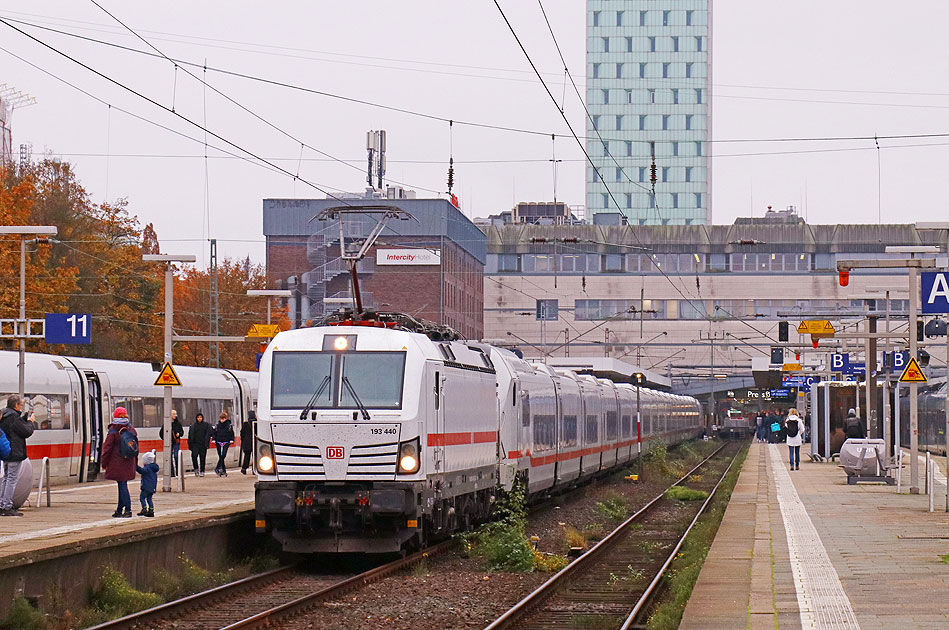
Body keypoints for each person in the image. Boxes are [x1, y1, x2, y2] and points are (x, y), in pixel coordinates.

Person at [0, 395, 37, 517]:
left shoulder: (4, 416)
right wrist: (31, 422)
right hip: (14, 453)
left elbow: (14, 428)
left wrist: (24, 418)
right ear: (16, 405)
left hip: (5, 452)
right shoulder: (13, 417)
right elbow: (25, 431)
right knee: (11, 479)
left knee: (6, 478)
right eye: (21, 405)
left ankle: (2, 504)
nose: (21, 407)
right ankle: (6, 506)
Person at [101, 407, 137, 518]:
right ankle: (119, 509)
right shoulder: (131, 429)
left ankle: (128, 510)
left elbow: (107, 448)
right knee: (122, 484)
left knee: (122, 485)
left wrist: (103, 462)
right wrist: (135, 462)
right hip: (129, 461)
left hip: (117, 462)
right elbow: (135, 446)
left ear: (115, 416)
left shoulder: (114, 430)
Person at [159, 410, 184, 477]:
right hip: (169, 442)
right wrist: (165, 439)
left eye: (175, 414)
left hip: (176, 442)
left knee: (176, 456)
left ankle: (178, 472)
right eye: (173, 414)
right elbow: (161, 433)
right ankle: (172, 473)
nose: (175, 416)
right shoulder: (166, 424)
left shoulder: (178, 423)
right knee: (169, 457)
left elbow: (182, 432)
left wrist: (179, 434)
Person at [136, 450, 159, 517]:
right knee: (149, 499)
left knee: (142, 498)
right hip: (152, 487)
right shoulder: (154, 468)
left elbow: (142, 471)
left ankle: (144, 509)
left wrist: (136, 467)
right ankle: (151, 510)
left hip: (146, 486)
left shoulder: (147, 468)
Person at [212, 412, 235, 477]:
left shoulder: (229, 425)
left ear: (226, 418)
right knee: (220, 456)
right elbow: (214, 433)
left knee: (223, 455)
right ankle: (223, 470)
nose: (222, 420)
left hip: (226, 442)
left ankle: (217, 468)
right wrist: (214, 439)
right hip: (218, 442)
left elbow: (231, 433)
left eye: (224, 418)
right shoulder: (217, 425)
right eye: (221, 418)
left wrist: (231, 440)